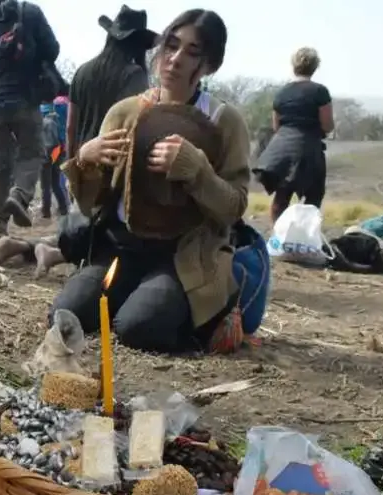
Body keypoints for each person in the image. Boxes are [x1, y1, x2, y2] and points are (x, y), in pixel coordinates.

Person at [51, 9, 253, 354]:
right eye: (171, 45)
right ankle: (134, 294)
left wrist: (199, 172)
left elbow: (234, 207)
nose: (174, 59)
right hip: (121, 246)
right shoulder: (125, 111)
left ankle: (192, 304)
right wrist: (87, 159)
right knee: (64, 315)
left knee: (139, 328)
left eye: (191, 52)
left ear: (209, 65)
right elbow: (91, 204)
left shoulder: (223, 121)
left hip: (184, 255)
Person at [0, 0, 60, 238]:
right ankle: (19, 195)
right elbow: (53, 50)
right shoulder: (30, 12)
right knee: (32, 153)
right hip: (26, 101)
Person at [253, 47, 335, 222]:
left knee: (281, 199)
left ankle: (277, 239)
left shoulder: (282, 93)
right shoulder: (320, 91)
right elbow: (327, 125)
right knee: (313, 200)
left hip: (282, 150)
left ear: (294, 66)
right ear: (315, 67)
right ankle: (304, 241)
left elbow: (276, 126)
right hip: (308, 149)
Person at [68, 6, 157, 160]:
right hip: (112, 165)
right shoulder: (134, 75)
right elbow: (138, 126)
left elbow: (70, 127)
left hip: (84, 159)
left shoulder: (82, 71)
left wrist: (71, 164)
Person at [38, 89, 69, 219]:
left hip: (47, 149)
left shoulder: (44, 109)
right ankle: (63, 209)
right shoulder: (67, 106)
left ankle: (46, 211)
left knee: (45, 183)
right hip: (60, 147)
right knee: (55, 181)